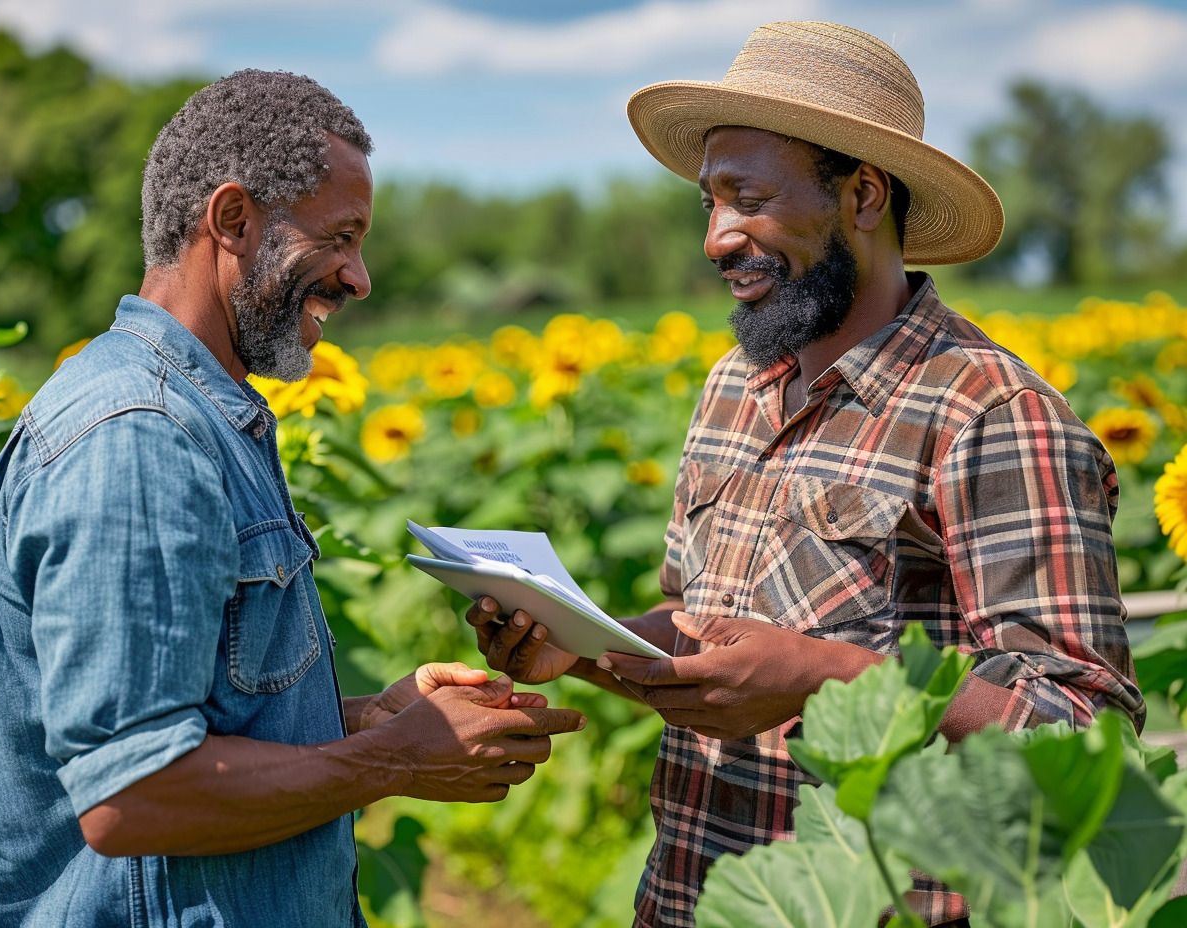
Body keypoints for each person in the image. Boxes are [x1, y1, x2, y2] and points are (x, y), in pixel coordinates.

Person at [466, 21, 1145, 928]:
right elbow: (700, 631)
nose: (716, 238)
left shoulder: (989, 415)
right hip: (690, 898)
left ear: (863, 194)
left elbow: (1092, 745)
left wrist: (831, 677)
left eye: (746, 198)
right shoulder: (733, 387)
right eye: (708, 204)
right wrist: (583, 646)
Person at [0, 69, 585, 927]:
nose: (360, 278)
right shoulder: (138, 437)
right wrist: (397, 762)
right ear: (232, 221)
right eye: (340, 236)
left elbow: (201, 710)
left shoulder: (202, 415)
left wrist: (373, 720)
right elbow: (133, 795)